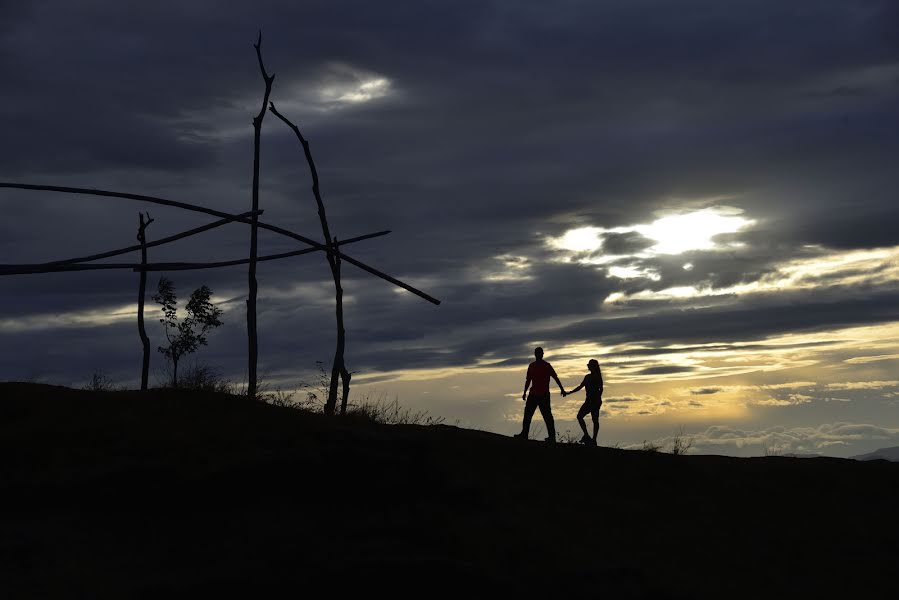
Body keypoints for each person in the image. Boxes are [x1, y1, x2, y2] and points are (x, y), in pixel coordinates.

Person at [515, 347, 565, 443]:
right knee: (528, 415)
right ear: (536, 354)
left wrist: (562, 389)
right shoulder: (532, 366)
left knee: (547, 416)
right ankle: (524, 434)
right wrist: (525, 392)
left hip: (543, 395)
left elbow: (555, 377)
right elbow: (528, 380)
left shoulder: (546, 366)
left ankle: (551, 437)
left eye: (539, 353)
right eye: (537, 353)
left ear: (542, 354)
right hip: (534, 394)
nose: (538, 354)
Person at [563, 359, 604, 445]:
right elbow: (580, 387)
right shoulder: (588, 377)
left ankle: (592, 438)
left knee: (593, 419)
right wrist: (570, 392)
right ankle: (589, 437)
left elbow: (600, 389)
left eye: (589, 365)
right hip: (590, 401)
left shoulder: (596, 377)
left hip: (593, 401)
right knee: (584, 417)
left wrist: (597, 399)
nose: (588, 366)